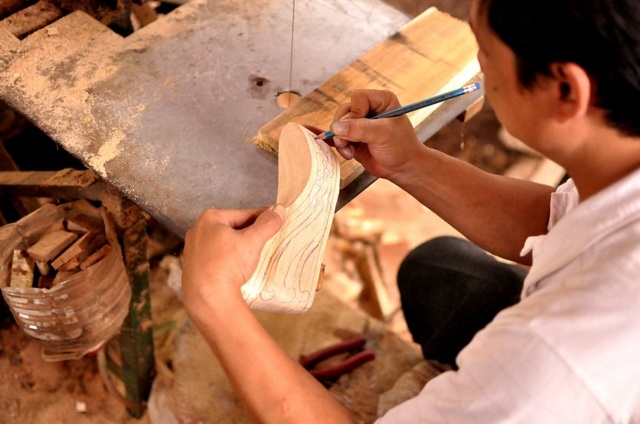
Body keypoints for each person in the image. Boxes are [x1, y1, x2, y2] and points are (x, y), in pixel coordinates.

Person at [181, 0, 640, 421]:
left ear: (565, 89)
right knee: (441, 272)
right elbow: (557, 223)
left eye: (485, 51)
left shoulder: (561, 353)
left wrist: (213, 298)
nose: (479, 63)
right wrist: (412, 163)